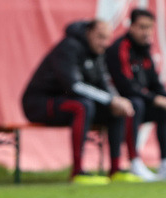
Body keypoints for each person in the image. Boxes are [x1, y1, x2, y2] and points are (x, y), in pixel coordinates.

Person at [20, 19, 137, 184]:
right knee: (83, 106)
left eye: (107, 38)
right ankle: (78, 171)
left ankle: (116, 169)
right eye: (100, 37)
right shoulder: (69, 47)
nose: (104, 43)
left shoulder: (98, 53)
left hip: (67, 103)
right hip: (38, 104)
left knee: (115, 109)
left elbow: (104, 83)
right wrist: (110, 99)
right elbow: (73, 85)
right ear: (88, 33)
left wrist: (116, 99)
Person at [105, 8, 166, 181]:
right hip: (116, 105)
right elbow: (127, 87)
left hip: (138, 101)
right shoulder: (120, 48)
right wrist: (159, 100)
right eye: (142, 27)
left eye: (149, 28)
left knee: (165, 109)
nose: (146, 32)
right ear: (131, 26)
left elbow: (155, 82)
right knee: (136, 104)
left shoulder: (145, 49)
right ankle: (134, 163)